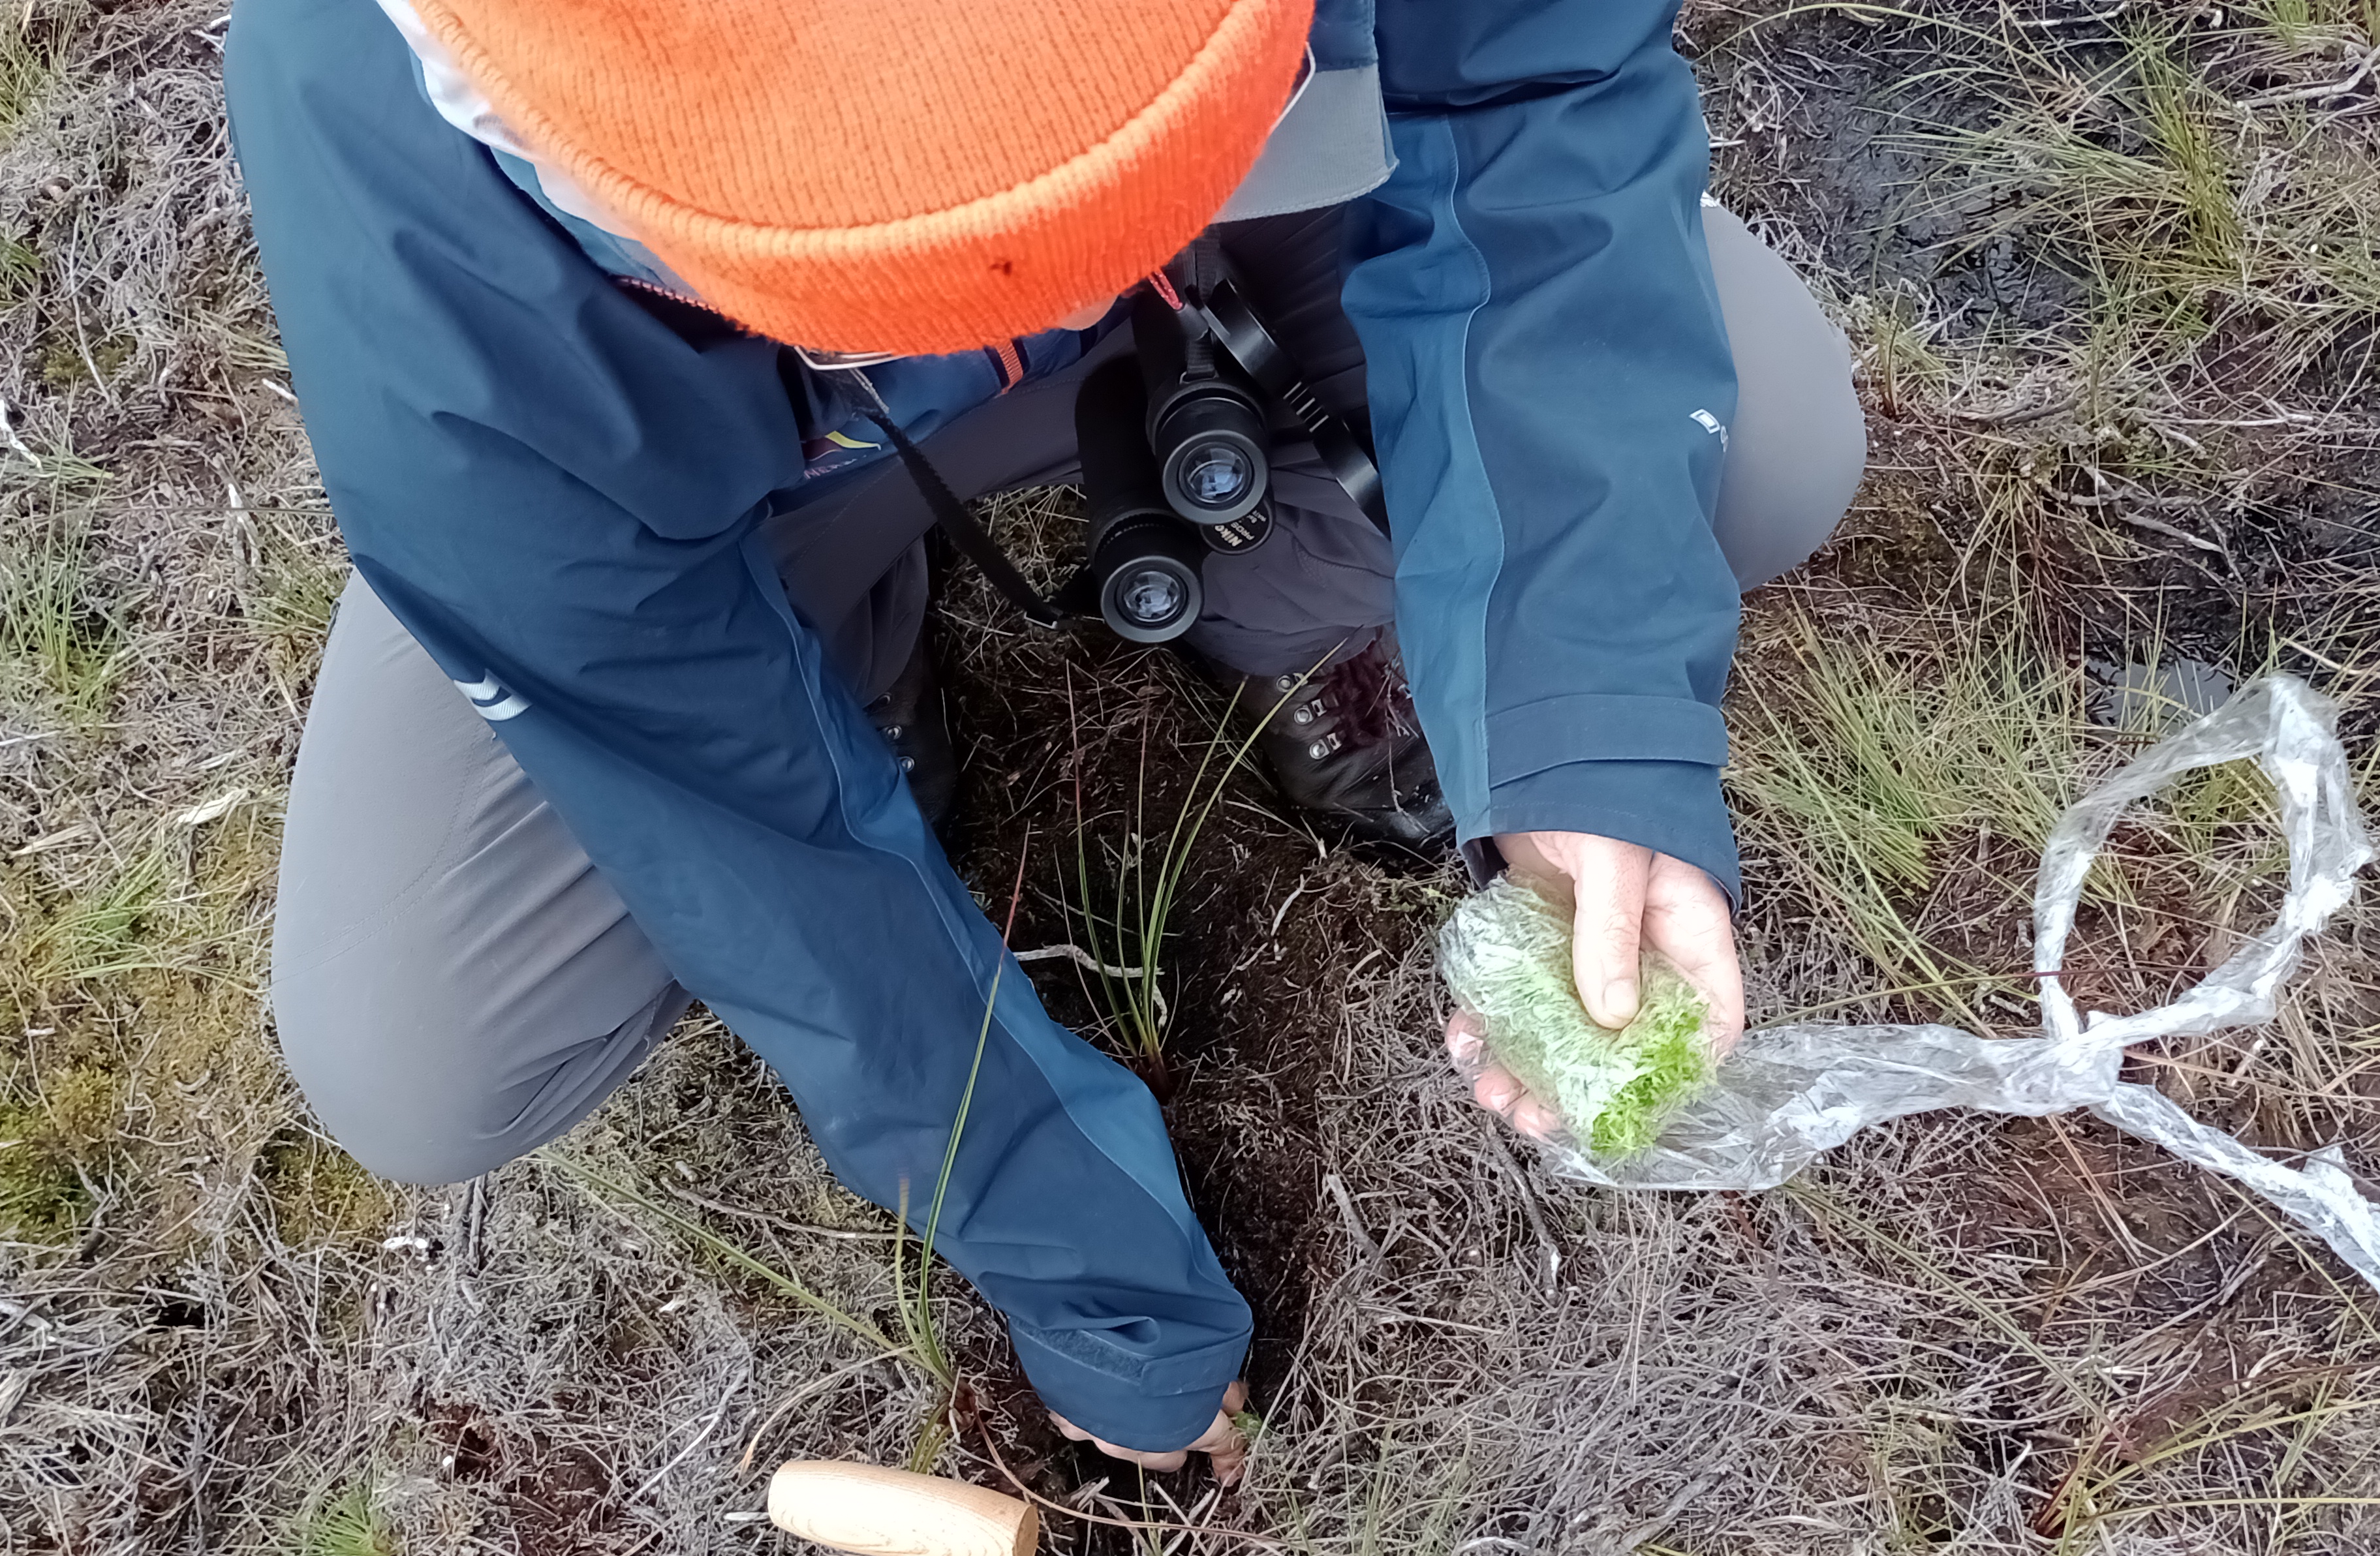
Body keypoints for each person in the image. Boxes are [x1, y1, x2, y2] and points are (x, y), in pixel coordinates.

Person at [224, 0, 1865, 1475]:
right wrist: (1103, 1284)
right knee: (417, 1050)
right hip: (792, 445)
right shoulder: (404, 168)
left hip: (1244, 222)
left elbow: (1534, 94)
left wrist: (1580, 720)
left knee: (1758, 448)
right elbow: (727, 819)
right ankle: (844, 628)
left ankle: (1284, 579)